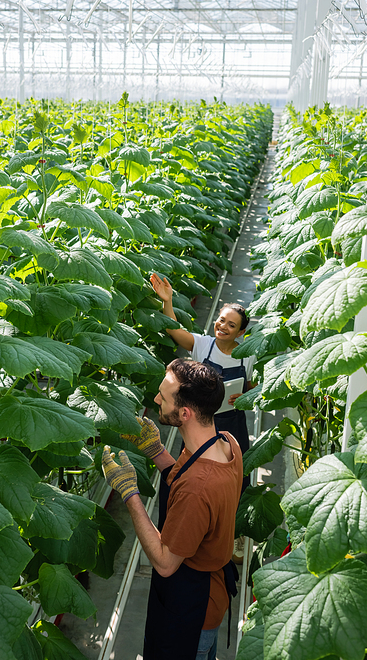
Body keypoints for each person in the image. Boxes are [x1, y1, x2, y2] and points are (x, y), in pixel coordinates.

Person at [102, 358, 243, 660]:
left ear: (185, 413)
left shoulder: (198, 486)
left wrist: (129, 493)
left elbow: (166, 563)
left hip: (193, 612)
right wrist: (156, 450)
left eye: (163, 398)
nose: (155, 400)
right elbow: (192, 482)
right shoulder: (226, 443)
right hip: (211, 593)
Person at [149, 272, 255, 457]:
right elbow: (173, 330)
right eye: (221, 320)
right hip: (198, 422)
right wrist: (168, 300)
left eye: (231, 325)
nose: (223, 326)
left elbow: (252, 389)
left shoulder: (247, 356)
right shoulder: (203, 344)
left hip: (232, 424)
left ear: (240, 332)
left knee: (231, 466)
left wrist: (243, 398)